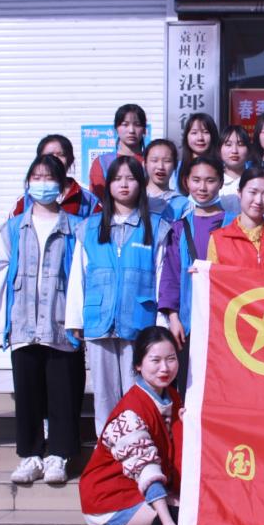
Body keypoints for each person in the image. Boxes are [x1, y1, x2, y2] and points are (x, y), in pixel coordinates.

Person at [0, 154, 84, 485]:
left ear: (62, 185)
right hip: (24, 323)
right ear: (28, 183)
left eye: (50, 177)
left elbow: (81, 277)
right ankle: (30, 455)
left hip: (61, 324)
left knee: (63, 393)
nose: (43, 184)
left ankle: (60, 455)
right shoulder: (12, 228)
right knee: (27, 394)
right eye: (37, 177)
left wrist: (78, 321)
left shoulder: (76, 228)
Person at [66, 156, 169, 437]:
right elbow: (79, 276)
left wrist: (161, 324)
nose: (124, 184)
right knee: (103, 394)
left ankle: (140, 445)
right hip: (98, 322)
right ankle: (108, 448)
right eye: (117, 179)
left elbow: (162, 278)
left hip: (139, 323)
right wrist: (75, 319)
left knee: (138, 391)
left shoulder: (156, 227)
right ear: (108, 185)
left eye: (131, 178)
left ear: (141, 184)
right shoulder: (89, 227)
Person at [80, 326, 182, 525]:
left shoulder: (172, 398)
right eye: (155, 360)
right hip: (109, 496)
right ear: (138, 365)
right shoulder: (130, 413)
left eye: (171, 359)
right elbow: (147, 472)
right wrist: (167, 521)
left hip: (134, 488)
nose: (164, 368)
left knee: (179, 504)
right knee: (175, 512)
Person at [158, 157, 229, 396]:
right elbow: (170, 275)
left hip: (224, 321)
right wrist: (174, 318)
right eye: (196, 180)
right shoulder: (179, 228)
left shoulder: (233, 223)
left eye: (210, 180)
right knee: (188, 388)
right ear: (186, 182)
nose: (203, 187)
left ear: (221, 183)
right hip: (189, 323)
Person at [207, 167, 264, 272]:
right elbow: (212, 278)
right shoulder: (219, 238)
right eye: (253, 192)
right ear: (239, 192)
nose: (258, 201)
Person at [10, 134, 100, 219]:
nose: (55, 159)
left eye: (60, 155)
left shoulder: (88, 199)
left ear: (70, 159)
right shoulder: (24, 201)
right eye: (49, 155)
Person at [89, 104, 147, 200]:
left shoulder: (151, 162)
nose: (131, 130)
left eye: (137, 124)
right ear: (116, 128)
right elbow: (98, 199)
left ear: (144, 130)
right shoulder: (102, 162)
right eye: (125, 124)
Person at [174, 113, 219, 193]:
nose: (200, 138)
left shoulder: (222, 167)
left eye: (205, 132)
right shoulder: (175, 169)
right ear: (186, 137)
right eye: (194, 133)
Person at [144, 139, 189, 219]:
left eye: (167, 161)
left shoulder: (184, 204)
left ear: (175, 165)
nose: (160, 167)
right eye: (154, 160)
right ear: (145, 164)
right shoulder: (134, 199)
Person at [218, 124, 251, 207]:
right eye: (228, 144)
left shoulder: (255, 181)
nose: (234, 151)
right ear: (219, 150)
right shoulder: (213, 182)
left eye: (240, 144)